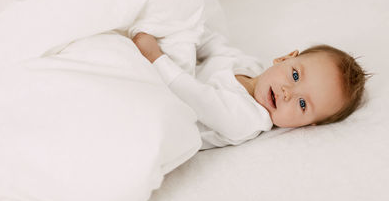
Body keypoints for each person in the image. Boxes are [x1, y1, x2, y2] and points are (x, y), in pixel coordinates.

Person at [132, 32, 370, 150]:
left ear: (306, 125)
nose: (288, 93)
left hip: (155, 117)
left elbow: (195, 98)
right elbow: (215, 46)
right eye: (295, 75)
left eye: (303, 104)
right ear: (284, 58)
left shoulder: (248, 119)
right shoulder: (249, 65)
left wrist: (155, 56)